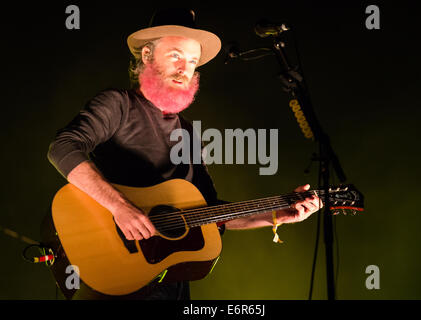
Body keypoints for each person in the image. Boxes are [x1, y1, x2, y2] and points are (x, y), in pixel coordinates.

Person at [47, 8, 322, 300]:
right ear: (147, 56)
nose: (185, 69)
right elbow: (62, 148)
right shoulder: (119, 105)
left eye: (192, 62)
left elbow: (207, 213)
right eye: (175, 55)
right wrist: (120, 207)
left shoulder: (189, 134)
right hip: (113, 271)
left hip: (170, 281)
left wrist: (275, 215)